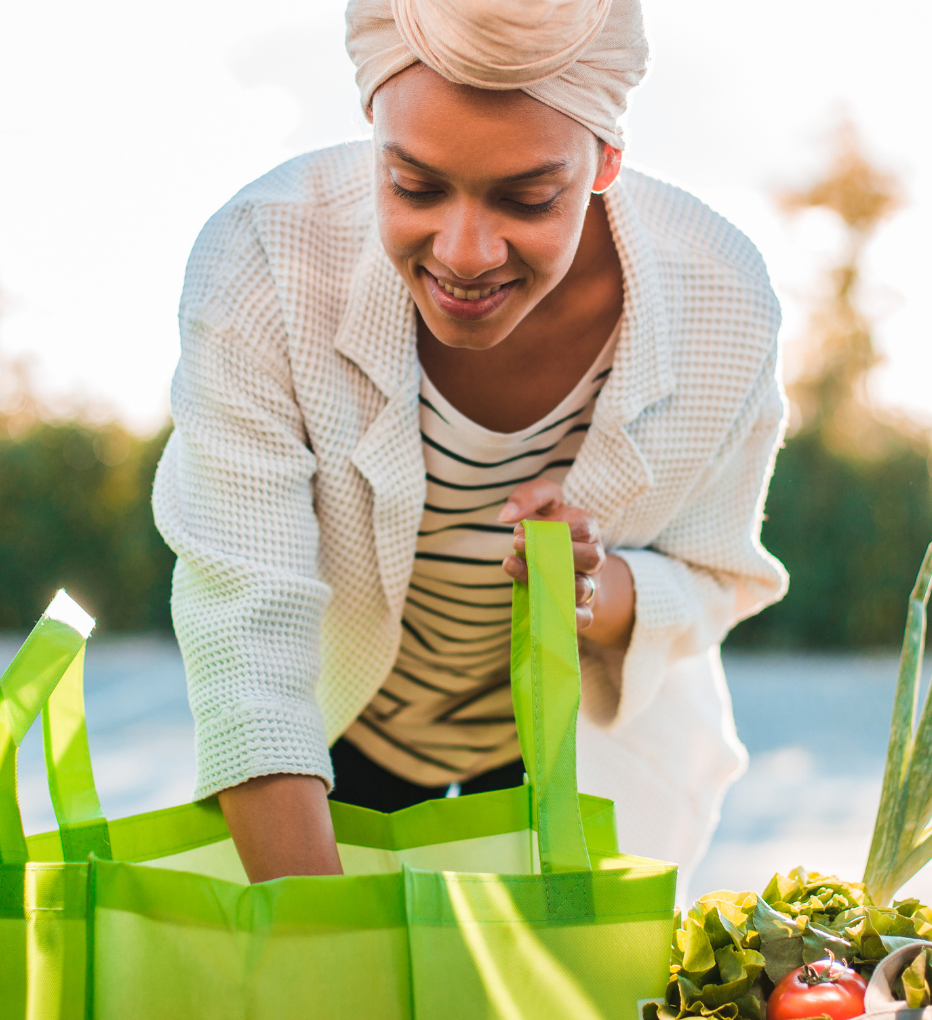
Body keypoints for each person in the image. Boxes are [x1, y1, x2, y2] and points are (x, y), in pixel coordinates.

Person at [152, 0, 788, 892]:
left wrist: (588, 586)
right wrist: (323, 954)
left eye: (527, 199)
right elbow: (248, 643)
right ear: (372, 128)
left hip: (573, 760)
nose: (464, 252)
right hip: (331, 734)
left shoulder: (723, 304)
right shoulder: (263, 263)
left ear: (607, 160)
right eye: (414, 186)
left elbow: (719, 580)